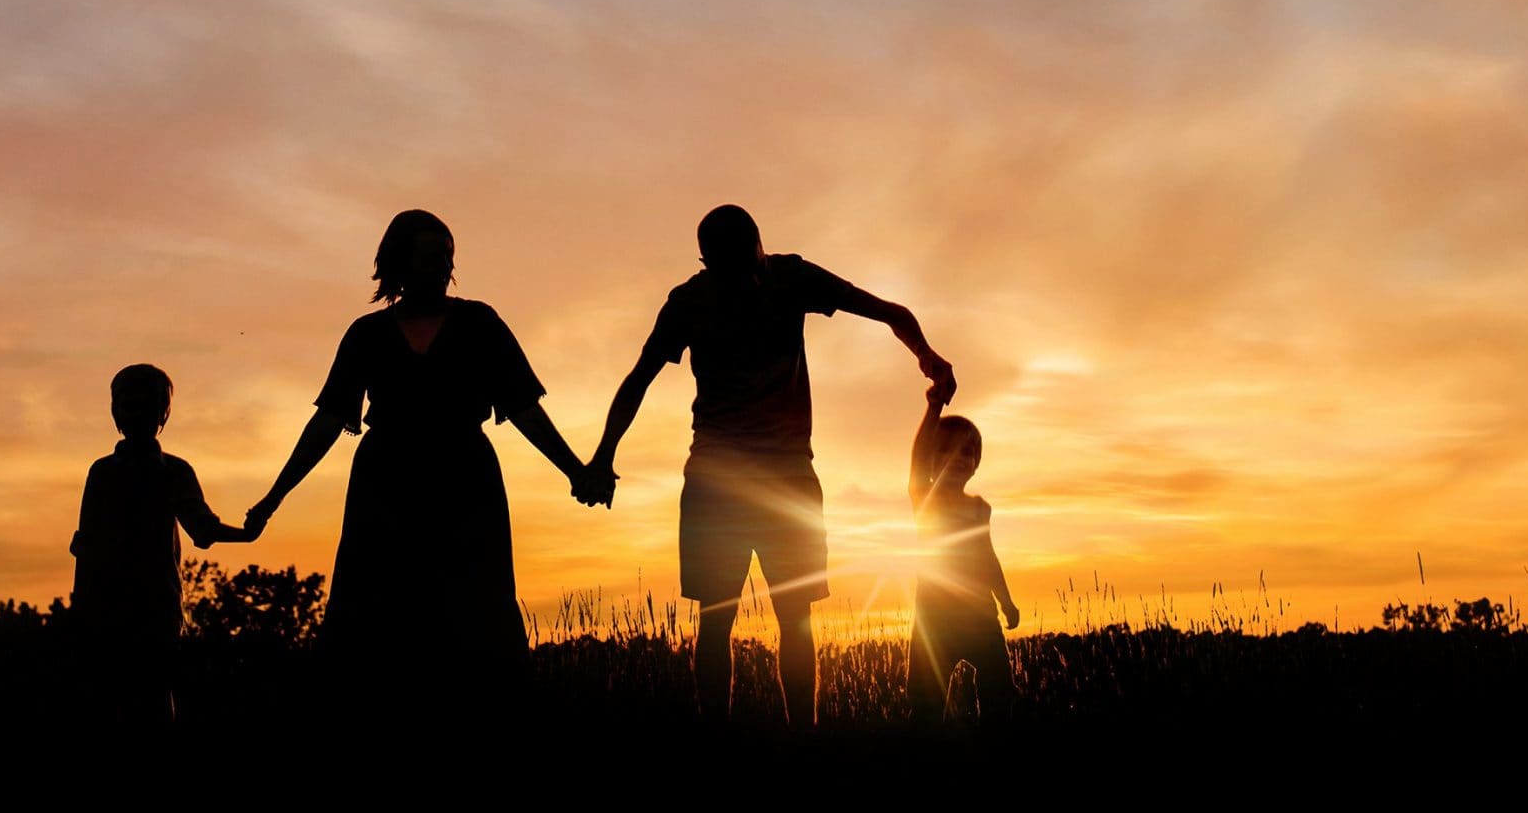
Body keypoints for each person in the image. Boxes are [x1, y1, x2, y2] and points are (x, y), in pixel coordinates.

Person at [577, 202, 954, 725]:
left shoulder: (791, 277)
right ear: (706, 261)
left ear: (760, 243)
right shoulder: (689, 302)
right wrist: (602, 455)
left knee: (794, 616)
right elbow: (639, 378)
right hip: (716, 477)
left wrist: (927, 355)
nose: (745, 277)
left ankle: (804, 736)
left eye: (750, 261)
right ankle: (720, 739)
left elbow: (889, 311)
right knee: (716, 618)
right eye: (729, 267)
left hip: (788, 475)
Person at [247, 209, 592, 713]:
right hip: (385, 486)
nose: (441, 267)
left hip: (465, 484)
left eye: (447, 257)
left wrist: (575, 470)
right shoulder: (366, 335)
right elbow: (326, 423)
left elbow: (523, 409)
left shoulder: (480, 323)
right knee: (377, 619)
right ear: (398, 263)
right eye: (430, 256)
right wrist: (274, 497)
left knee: (475, 616)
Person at [69, 363, 257, 724]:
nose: (138, 415)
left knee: (155, 695)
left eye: (148, 407)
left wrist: (245, 533)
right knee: (108, 699)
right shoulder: (102, 473)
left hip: (157, 606)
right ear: (117, 412)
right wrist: (83, 611)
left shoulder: (175, 471)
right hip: (105, 608)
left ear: (163, 414)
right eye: (130, 405)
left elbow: (202, 528)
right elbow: (87, 546)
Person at [906, 380, 1019, 724]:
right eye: (947, 451)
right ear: (933, 461)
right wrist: (933, 409)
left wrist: (1006, 600)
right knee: (925, 699)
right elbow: (918, 458)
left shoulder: (979, 509)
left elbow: (988, 557)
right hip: (935, 617)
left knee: (999, 693)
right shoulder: (926, 499)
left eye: (967, 452)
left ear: (976, 462)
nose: (958, 459)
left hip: (980, 615)